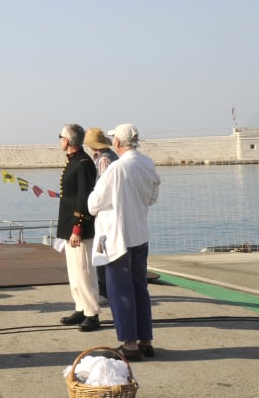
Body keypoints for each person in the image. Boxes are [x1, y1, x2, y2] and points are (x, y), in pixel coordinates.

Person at [87, 123, 160, 362]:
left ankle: (129, 345)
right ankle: (145, 339)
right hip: (140, 234)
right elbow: (152, 197)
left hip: (118, 237)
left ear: (117, 142)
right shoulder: (147, 163)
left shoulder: (116, 168)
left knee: (120, 292)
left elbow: (94, 203)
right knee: (140, 289)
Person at [56, 123, 101, 332]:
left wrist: (77, 228)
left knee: (84, 271)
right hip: (69, 225)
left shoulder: (83, 163)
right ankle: (81, 308)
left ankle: (92, 313)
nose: (59, 140)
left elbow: (84, 197)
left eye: (60, 137)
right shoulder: (74, 161)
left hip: (79, 227)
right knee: (74, 272)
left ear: (67, 140)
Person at [86, 126, 119, 301]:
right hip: (111, 211)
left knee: (101, 251)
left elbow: (103, 188)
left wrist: (93, 207)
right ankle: (108, 289)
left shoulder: (104, 160)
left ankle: (104, 291)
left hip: (104, 212)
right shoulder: (110, 156)